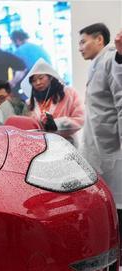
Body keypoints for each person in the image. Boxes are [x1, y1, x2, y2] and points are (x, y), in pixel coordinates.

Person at [78, 23, 122, 225]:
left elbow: (121, 102)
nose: (80, 48)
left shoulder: (111, 59)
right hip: (98, 144)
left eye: (83, 42)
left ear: (99, 40)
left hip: (112, 146)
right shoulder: (96, 63)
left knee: (117, 205)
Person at [21, 58, 84, 144]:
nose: (38, 82)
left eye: (41, 78)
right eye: (33, 80)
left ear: (50, 77)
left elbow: (80, 119)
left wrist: (56, 124)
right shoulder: (30, 102)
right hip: (41, 147)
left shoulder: (69, 93)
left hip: (67, 145)